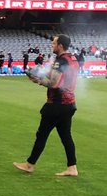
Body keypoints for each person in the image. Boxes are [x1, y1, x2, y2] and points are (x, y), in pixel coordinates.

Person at [13, 34, 80, 178]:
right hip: (69, 103)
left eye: (54, 43)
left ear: (61, 45)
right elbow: (61, 77)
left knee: (42, 135)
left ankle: (30, 164)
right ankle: (72, 167)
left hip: (57, 104)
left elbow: (54, 83)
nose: (52, 45)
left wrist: (38, 79)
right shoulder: (72, 59)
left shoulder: (61, 60)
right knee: (65, 136)